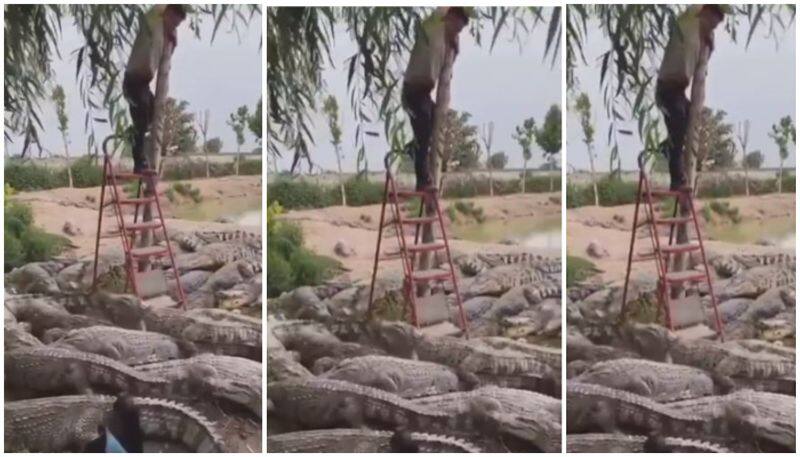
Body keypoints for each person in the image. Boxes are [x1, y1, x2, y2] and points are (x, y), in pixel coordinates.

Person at [655, 4, 728, 190]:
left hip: (679, 91)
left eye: (717, 24)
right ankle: (676, 180)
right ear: (704, 12)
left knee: (688, 122)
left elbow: (702, 66)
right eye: (712, 21)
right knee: (678, 127)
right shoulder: (688, 23)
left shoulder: (705, 40)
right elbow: (690, 10)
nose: (713, 26)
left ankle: (668, 147)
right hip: (665, 87)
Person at [402, 7, 471, 190]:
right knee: (424, 133)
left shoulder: (448, 44)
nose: (457, 32)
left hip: (424, 92)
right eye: (457, 26)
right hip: (413, 89)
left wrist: (455, 45)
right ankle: (422, 181)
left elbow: (448, 66)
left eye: (460, 30)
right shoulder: (434, 26)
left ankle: (413, 147)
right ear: (449, 17)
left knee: (433, 125)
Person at [123, 5, 188, 173]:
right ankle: (139, 161)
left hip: (143, 83)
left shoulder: (168, 37)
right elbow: (154, 10)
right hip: (132, 79)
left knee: (152, 113)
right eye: (173, 20)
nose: (174, 26)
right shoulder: (153, 23)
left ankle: (137, 140)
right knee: (143, 115)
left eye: (177, 24)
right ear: (166, 13)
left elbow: (165, 61)